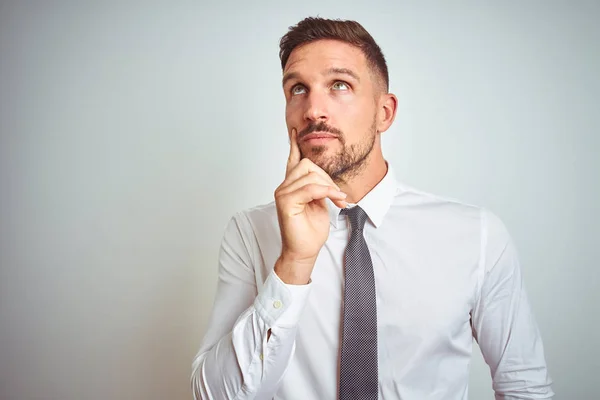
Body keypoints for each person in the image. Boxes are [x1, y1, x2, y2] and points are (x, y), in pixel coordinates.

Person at [191, 16, 554, 400]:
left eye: (340, 85)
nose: (314, 109)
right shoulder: (250, 233)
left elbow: (524, 386)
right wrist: (294, 263)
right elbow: (214, 396)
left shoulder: (477, 235)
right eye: (298, 88)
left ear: (385, 112)